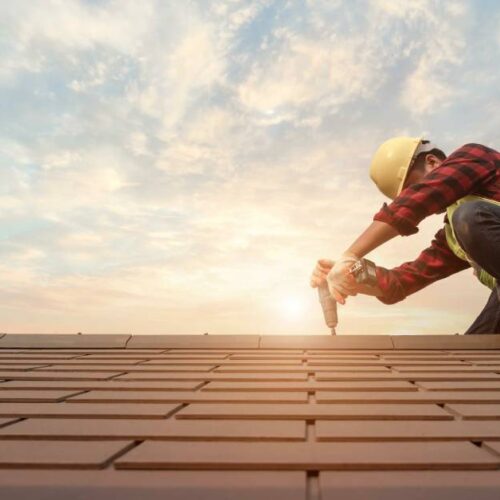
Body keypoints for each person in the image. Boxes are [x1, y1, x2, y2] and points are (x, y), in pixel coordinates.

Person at [310, 137, 500, 334]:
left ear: (432, 162)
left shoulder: (475, 157)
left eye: (414, 187)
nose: (415, 195)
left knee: (471, 216)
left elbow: (421, 199)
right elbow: (403, 281)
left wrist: (349, 256)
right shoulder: (456, 236)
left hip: (472, 217)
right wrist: (351, 278)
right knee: (475, 350)